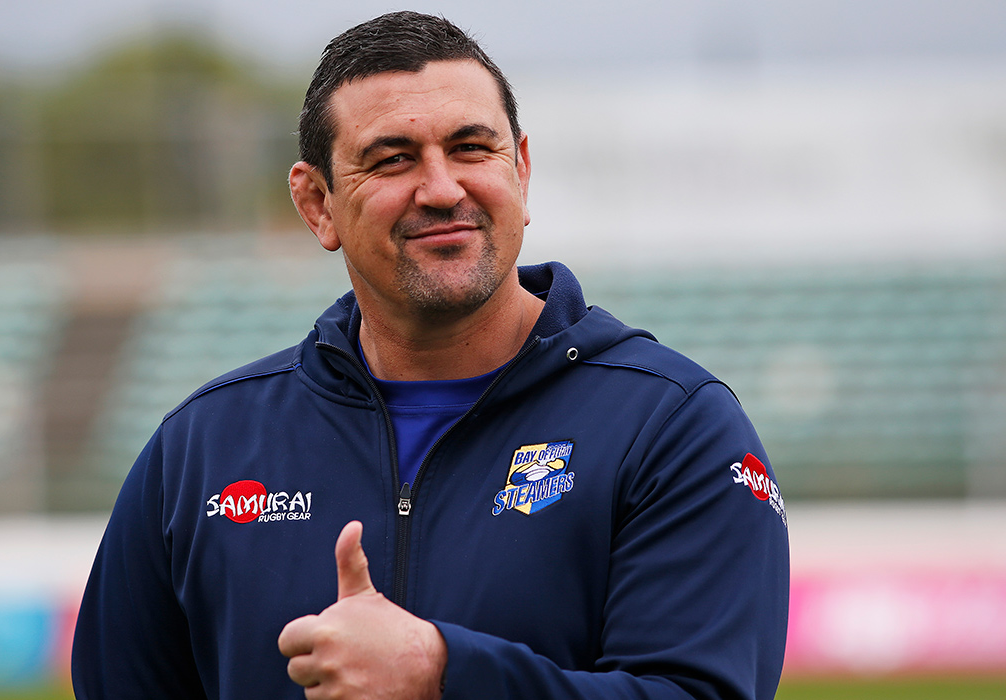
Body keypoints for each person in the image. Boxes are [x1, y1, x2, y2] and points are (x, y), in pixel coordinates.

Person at [71, 10, 789, 700]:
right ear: (317, 203)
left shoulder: (670, 427)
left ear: (522, 170)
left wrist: (444, 674)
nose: (443, 189)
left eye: (472, 148)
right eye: (392, 159)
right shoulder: (202, 448)